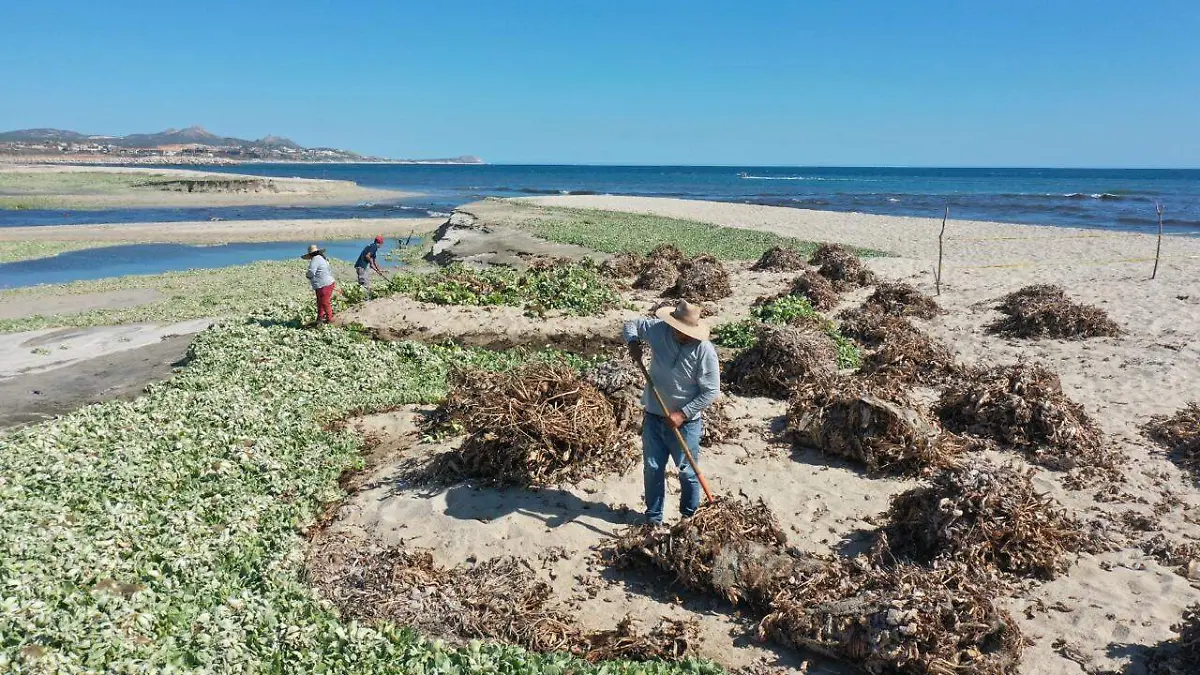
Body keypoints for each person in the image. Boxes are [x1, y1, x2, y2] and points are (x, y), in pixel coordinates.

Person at [622, 300, 720, 524]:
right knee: (652, 468)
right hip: (654, 416)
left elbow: (711, 391)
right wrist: (633, 342)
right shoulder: (659, 330)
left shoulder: (704, 350)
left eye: (687, 332)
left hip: (686, 424)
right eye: (678, 329)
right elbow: (630, 324)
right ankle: (653, 518)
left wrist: (683, 414)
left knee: (687, 472)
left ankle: (689, 517)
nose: (682, 334)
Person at [303, 244, 337, 324]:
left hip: (324, 284)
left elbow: (311, 272)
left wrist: (307, 275)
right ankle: (320, 318)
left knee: (324, 302)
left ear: (310, 254)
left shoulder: (315, 259)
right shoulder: (322, 258)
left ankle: (330, 319)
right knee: (320, 302)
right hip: (324, 284)